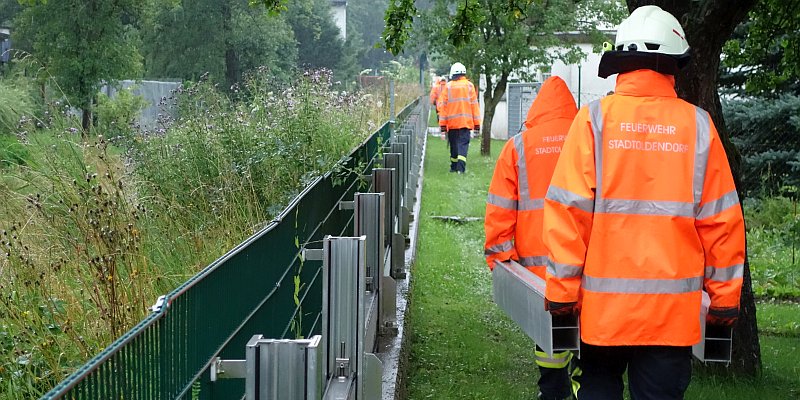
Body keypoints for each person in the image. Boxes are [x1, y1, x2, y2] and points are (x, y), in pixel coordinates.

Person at [542, 6, 745, 400]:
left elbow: (568, 213)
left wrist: (562, 295)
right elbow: (721, 220)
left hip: (603, 318)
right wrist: (723, 299)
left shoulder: (593, 121)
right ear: (673, 65)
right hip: (670, 323)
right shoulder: (699, 126)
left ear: (622, 61)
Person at [484, 76, 578, 400]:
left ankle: (553, 389)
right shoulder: (589, 140)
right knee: (585, 331)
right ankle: (583, 381)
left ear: (537, 107)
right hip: (586, 267)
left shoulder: (519, 146)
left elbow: (500, 207)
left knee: (548, 335)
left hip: (539, 271)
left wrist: (500, 259)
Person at [437, 62, 480, 173]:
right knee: (463, 145)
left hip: (452, 124)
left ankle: (453, 167)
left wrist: (442, 125)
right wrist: (477, 124)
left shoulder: (448, 87)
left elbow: (443, 107)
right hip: (465, 123)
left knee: (454, 146)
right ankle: (461, 169)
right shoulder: (469, 86)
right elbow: (474, 106)